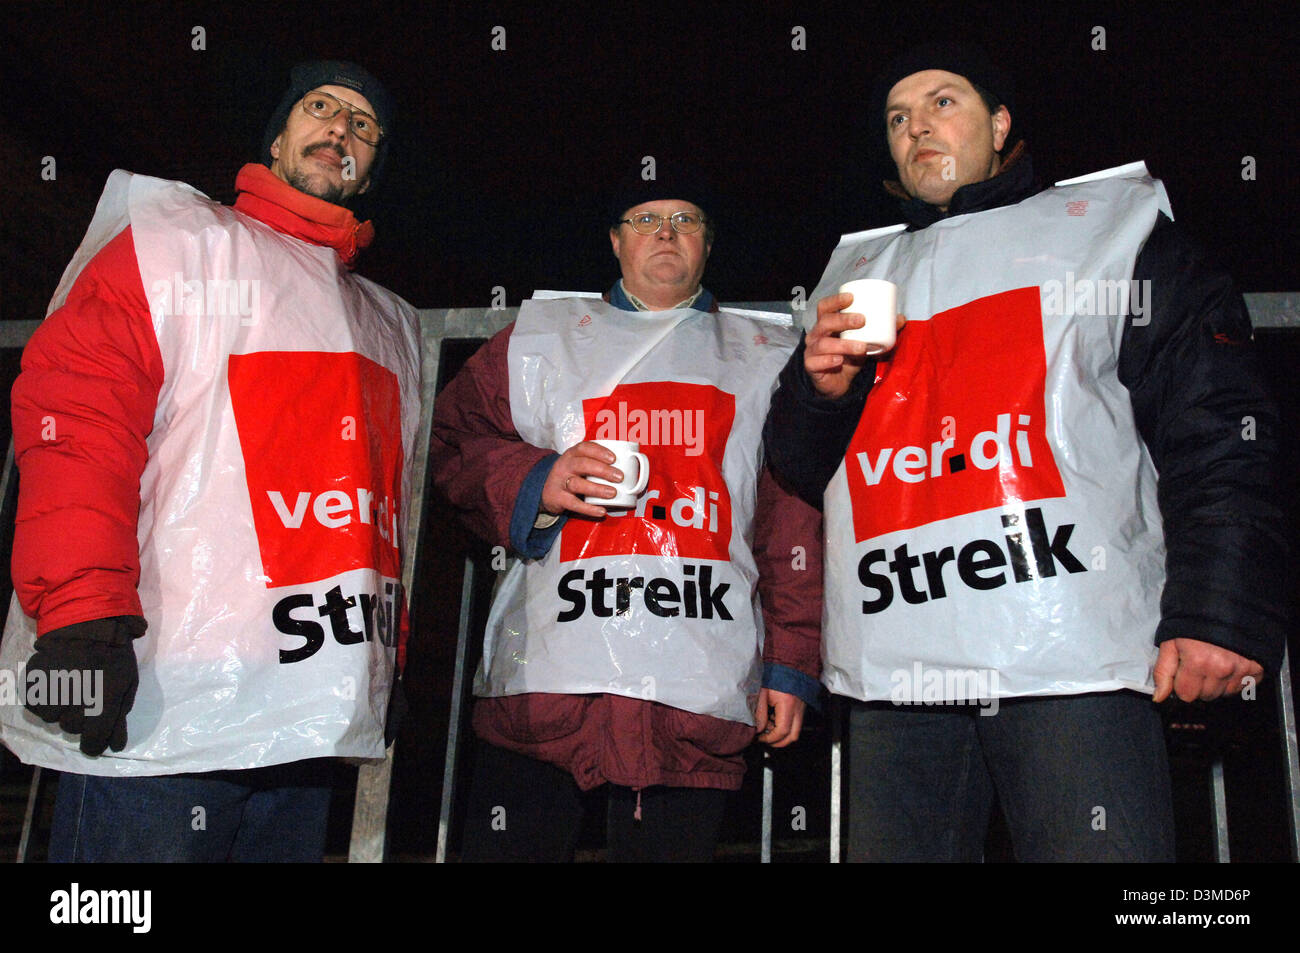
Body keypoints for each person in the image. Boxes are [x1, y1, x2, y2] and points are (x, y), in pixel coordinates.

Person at [763, 42, 1286, 861]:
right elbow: (797, 467)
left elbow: (1217, 423)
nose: (916, 128)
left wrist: (1218, 612)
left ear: (1001, 122)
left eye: (943, 103)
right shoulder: (857, 268)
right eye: (898, 118)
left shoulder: (1109, 233)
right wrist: (817, 394)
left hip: (1069, 663)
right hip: (901, 671)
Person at [0, 61, 421, 862]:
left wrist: (382, 659)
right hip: (165, 684)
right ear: (276, 134)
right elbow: (81, 417)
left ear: (371, 169)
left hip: (303, 705)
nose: (341, 129)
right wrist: (81, 615)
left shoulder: (382, 320)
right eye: (322, 107)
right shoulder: (176, 242)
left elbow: (379, 510)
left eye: (364, 126)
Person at [430, 166, 823, 862]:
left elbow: (790, 517)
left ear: (708, 242)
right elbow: (454, 440)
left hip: (690, 697)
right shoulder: (541, 338)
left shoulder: (765, 355)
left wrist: (791, 662)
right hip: (545, 687)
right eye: (645, 220)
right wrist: (536, 479)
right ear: (615, 241)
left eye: (685, 220)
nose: (666, 233)